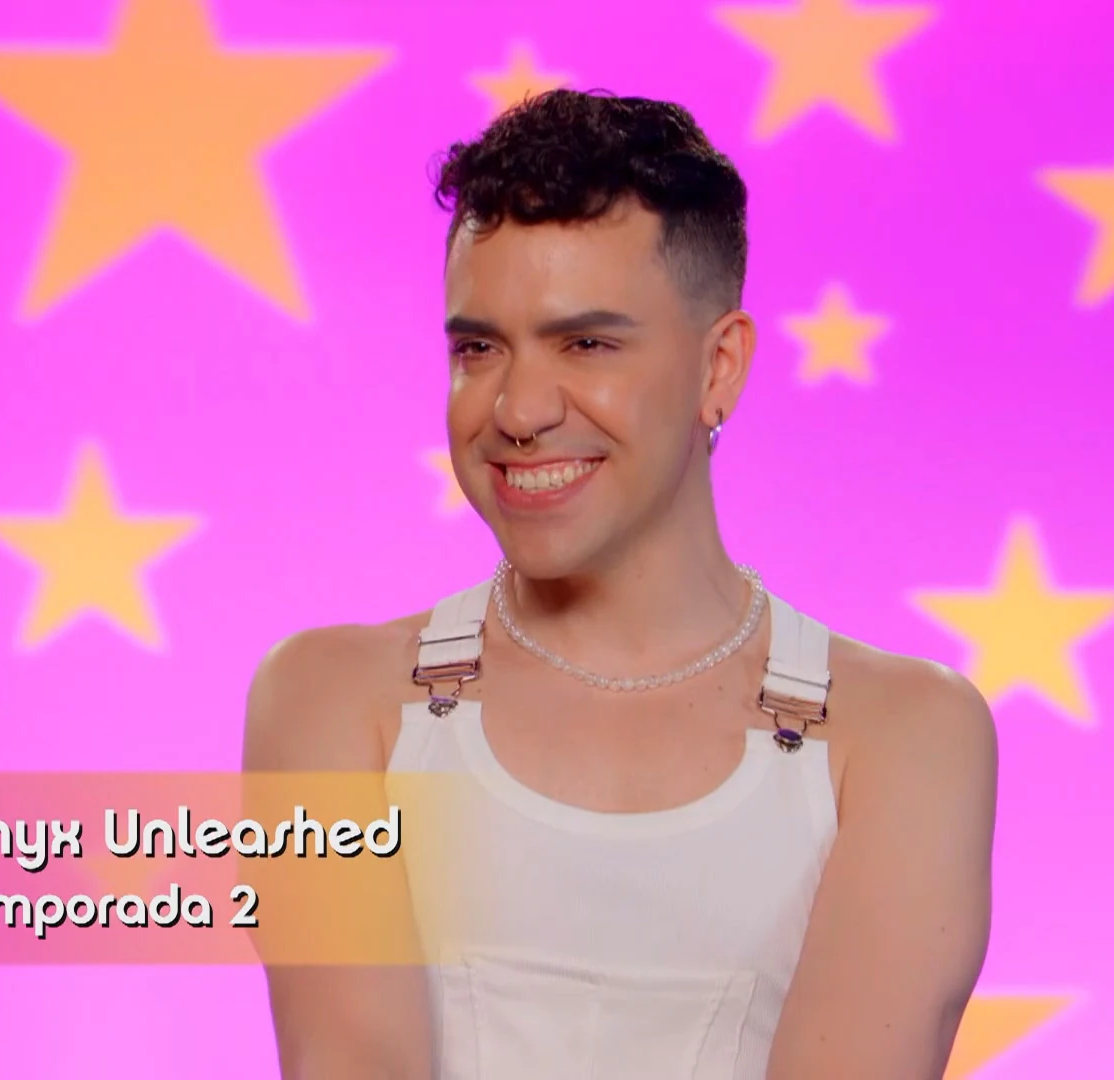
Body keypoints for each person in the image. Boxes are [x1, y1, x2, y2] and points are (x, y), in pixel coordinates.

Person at [243, 89, 996, 1079]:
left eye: (586, 344)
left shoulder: (906, 734)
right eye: (478, 348)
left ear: (719, 368)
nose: (517, 410)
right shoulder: (327, 701)